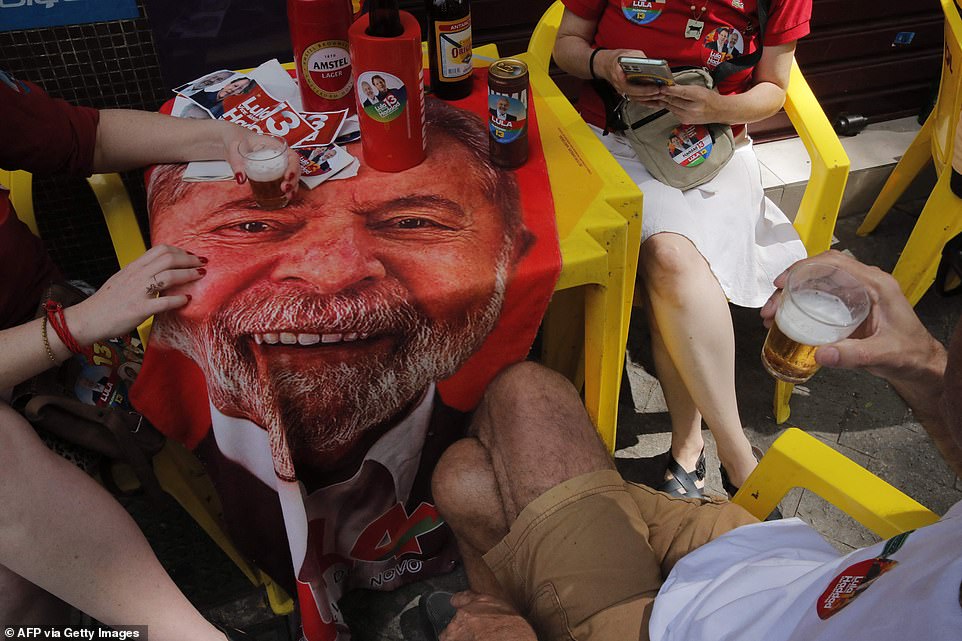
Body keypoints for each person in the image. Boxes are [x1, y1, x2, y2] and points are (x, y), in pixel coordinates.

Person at [141, 99, 536, 637]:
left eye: (412, 222)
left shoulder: (485, 432)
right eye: (252, 226)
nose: (330, 274)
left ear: (513, 256)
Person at [428, 250, 962, 641]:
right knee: (465, 477)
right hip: (772, 568)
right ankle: (499, 606)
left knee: (501, 428)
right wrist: (929, 370)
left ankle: (494, 616)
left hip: (676, 627)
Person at [0, 67, 296, 637]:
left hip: (52, 331)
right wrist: (82, 322)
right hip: (64, 334)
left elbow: (86, 138)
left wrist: (226, 137)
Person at [553, 0, 811, 499]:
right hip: (617, 144)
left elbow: (773, 90)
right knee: (670, 259)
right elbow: (566, 45)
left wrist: (718, 107)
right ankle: (739, 463)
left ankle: (690, 451)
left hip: (715, 145)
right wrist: (601, 64)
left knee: (671, 269)